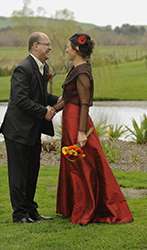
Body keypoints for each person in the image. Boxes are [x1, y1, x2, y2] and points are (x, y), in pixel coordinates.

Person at [53, 33, 134, 225]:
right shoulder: (76, 68)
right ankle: (75, 206)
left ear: (77, 49)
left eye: (68, 47)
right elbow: (68, 97)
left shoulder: (82, 72)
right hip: (69, 120)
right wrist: (52, 110)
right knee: (73, 163)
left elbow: (84, 103)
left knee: (81, 164)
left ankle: (85, 211)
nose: (66, 50)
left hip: (76, 123)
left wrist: (81, 132)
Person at [0, 32, 60, 223]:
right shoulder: (22, 69)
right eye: (47, 44)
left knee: (32, 171)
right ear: (35, 46)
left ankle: (31, 210)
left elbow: (40, 96)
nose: (50, 47)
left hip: (32, 130)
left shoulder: (43, 67)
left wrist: (59, 100)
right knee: (19, 175)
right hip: (17, 130)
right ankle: (20, 215)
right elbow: (20, 100)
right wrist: (44, 112)